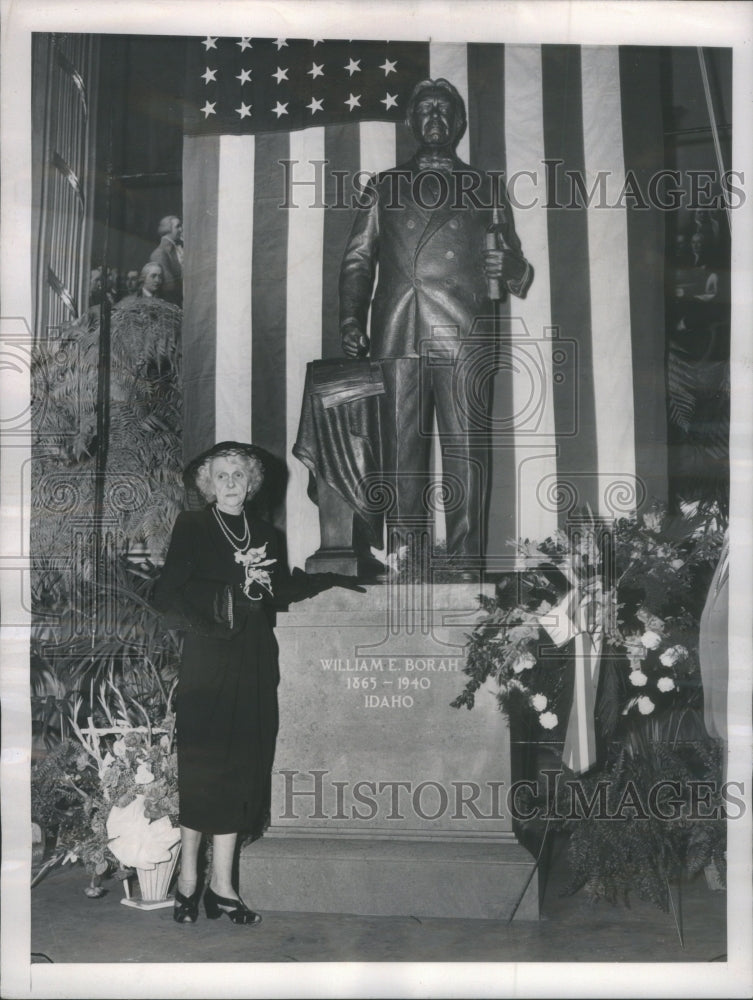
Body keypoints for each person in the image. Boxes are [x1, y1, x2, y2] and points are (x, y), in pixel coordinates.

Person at [153, 441, 362, 924]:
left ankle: (222, 886)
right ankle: (188, 879)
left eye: (238, 476)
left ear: (250, 485)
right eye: (221, 475)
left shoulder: (266, 532)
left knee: (242, 767)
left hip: (253, 658)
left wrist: (326, 578)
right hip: (208, 658)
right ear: (209, 483)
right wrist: (230, 592)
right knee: (203, 766)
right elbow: (167, 594)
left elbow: (275, 590)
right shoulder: (194, 526)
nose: (230, 483)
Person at [339, 77, 532, 562]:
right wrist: (350, 318)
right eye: (425, 110)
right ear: (410, 122)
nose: (435, 119)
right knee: (402, 450)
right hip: (397, 327)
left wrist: (511, 268)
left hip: (463, 329)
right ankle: (408, 559)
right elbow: (358, 260)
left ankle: (467, 563)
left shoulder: (485, 186)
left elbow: (518, 269)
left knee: (466, 449)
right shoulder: (385, 185)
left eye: (445, 111)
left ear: (460, 123)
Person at [150, 215, 183, 306]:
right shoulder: (160, 253)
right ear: (167, 230)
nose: (181, 229)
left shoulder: (178, 249)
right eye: (178, 226)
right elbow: (170, 286)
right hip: (171, 305)